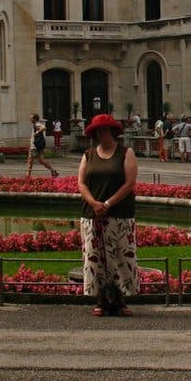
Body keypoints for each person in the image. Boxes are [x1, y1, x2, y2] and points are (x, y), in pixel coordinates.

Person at [77, 113, 138, 317]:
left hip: (119, 214)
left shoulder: (125, 152)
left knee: (121, 257)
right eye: (97, 131)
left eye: (104, 130)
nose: (101, 134)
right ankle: (101, 300)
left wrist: (108, 203)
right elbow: (81, 183)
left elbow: (129, 183)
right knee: (96, 259)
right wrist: (94, 203)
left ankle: (121, 300)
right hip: (93, 214)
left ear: (112, 131)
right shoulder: (88, 155)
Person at [26, 114, 58, 179]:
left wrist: (37, 132)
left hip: (35, 146)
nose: (30, 119)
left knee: (30, 159)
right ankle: (53, 171)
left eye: (31, 118)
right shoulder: (35, 124)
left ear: (34, 119)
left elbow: (44, 128)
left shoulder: (37, 124)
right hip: (38, 146)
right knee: (41, 160)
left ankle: (28, 175)